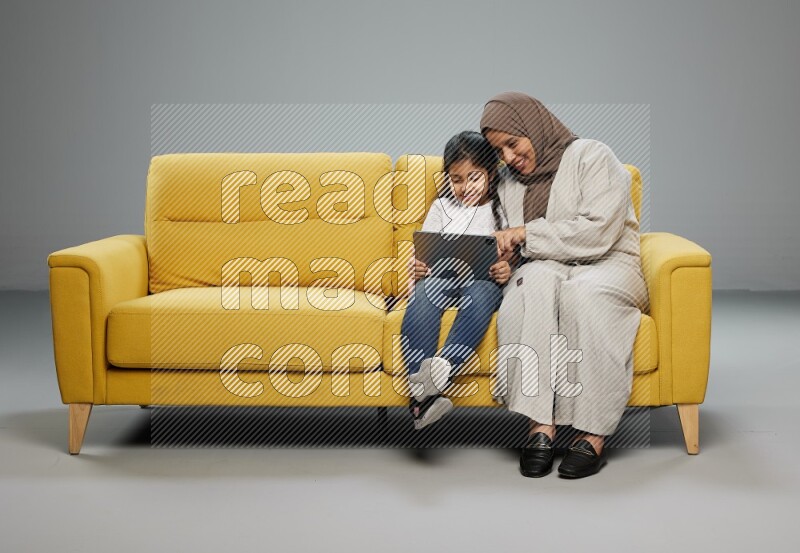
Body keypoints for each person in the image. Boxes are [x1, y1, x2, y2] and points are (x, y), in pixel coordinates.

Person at [481, 92, 650, 478]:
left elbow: (598, 232)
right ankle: (540, 427)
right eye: (500, 150)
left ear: (534, 128)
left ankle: (592, 435)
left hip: (608, 262)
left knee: (585, 295)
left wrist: (525, 234)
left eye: (513, 143)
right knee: (530, 287)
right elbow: (511, 242)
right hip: (547, 264)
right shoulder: (508, 181)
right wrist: (506, 259)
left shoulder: (592, 155)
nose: (508, 157)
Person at [400, 131, 516, 430]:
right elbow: (425, 250)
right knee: (425, 292)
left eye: (474, 177)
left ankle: (441, 371)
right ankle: (422, 394)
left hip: (483, 283)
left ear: (491, 173)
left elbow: (516, 256)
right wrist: (418, 268)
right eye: (457, 179)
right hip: (443, 280)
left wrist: (507, 270)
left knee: (480, 294)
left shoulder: (503, 208)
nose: (465, 187)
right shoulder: (442, 208)